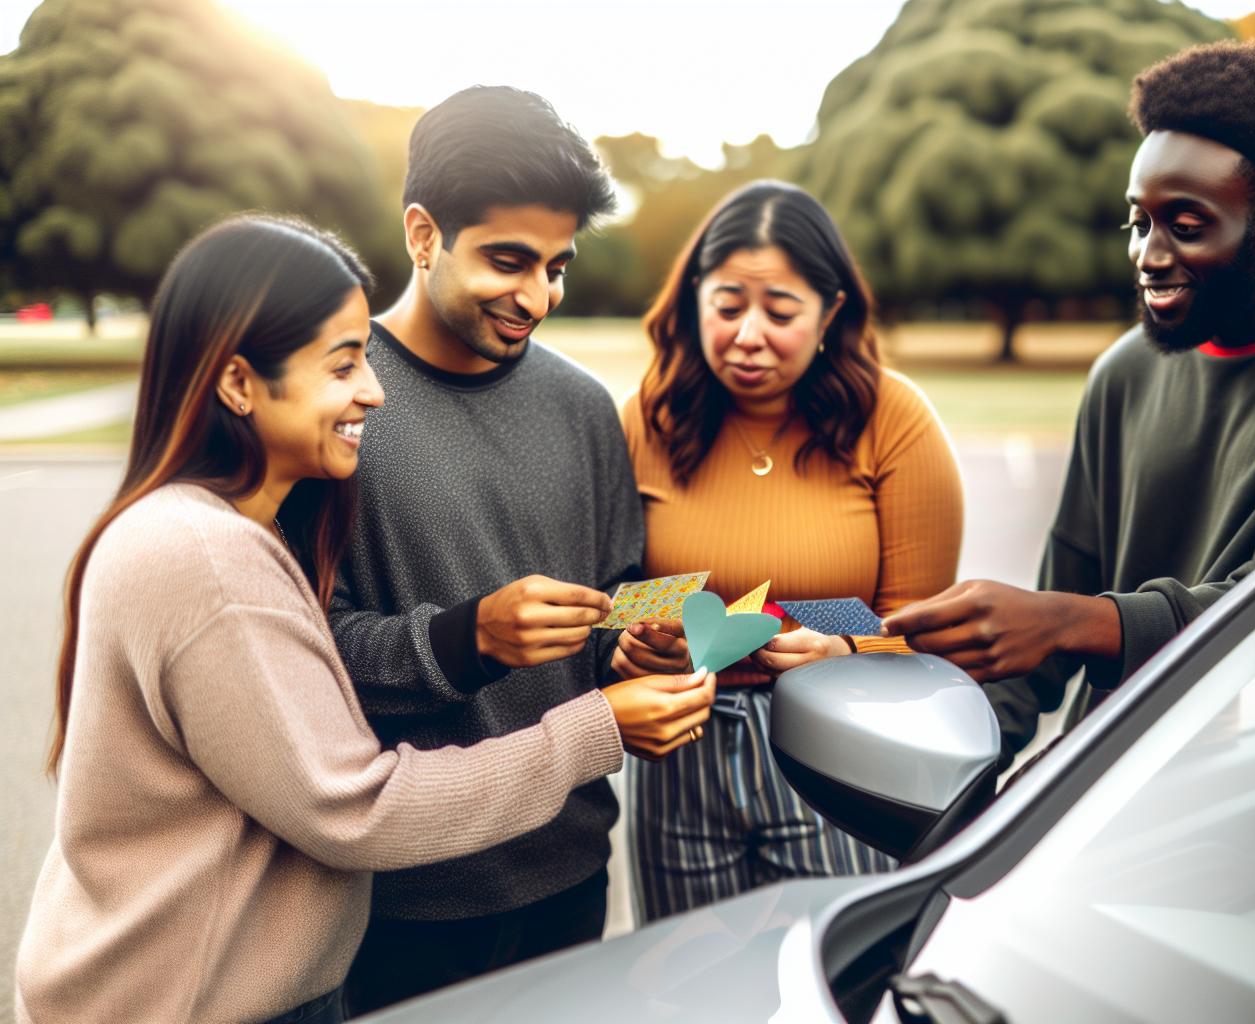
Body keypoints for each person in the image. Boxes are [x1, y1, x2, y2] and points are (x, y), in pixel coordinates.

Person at [14, 215, 715, 1024]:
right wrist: (596, 728)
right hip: (188, 1002)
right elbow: (358, 810)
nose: (375, 390)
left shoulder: (208, 530)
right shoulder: (209, 561)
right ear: (239, 384)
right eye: (344, 364)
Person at [883, 41, 1255, 765]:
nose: (1148, 255)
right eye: (1139, 222)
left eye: (1185, 226)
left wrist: (1066, 622)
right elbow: (1054, 622)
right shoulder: (1125, 370)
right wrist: (959, 775)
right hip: (1103, 790)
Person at [328, 87, 710, 1013]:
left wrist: (635, 644)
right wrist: (469, 638)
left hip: (570, 875)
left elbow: (618, 596)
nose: (538, 296)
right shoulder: (337, 404)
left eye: (558, 266)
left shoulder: (584, 408)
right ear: (424, 234)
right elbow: (290, 655)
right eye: (509, 260)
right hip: (398, 900)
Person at [619, 180, 964, 920]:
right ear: (693, 300)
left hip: (839, 744)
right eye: (726, 306)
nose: (748, 336)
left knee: (834, 978)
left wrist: (843, 651)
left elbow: (924, 628)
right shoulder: (644, 420)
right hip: (680, 753)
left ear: (830, 312)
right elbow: (613, 596)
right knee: (690, 988)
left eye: (779, 313)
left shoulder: (893, 420)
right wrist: (634, 646)